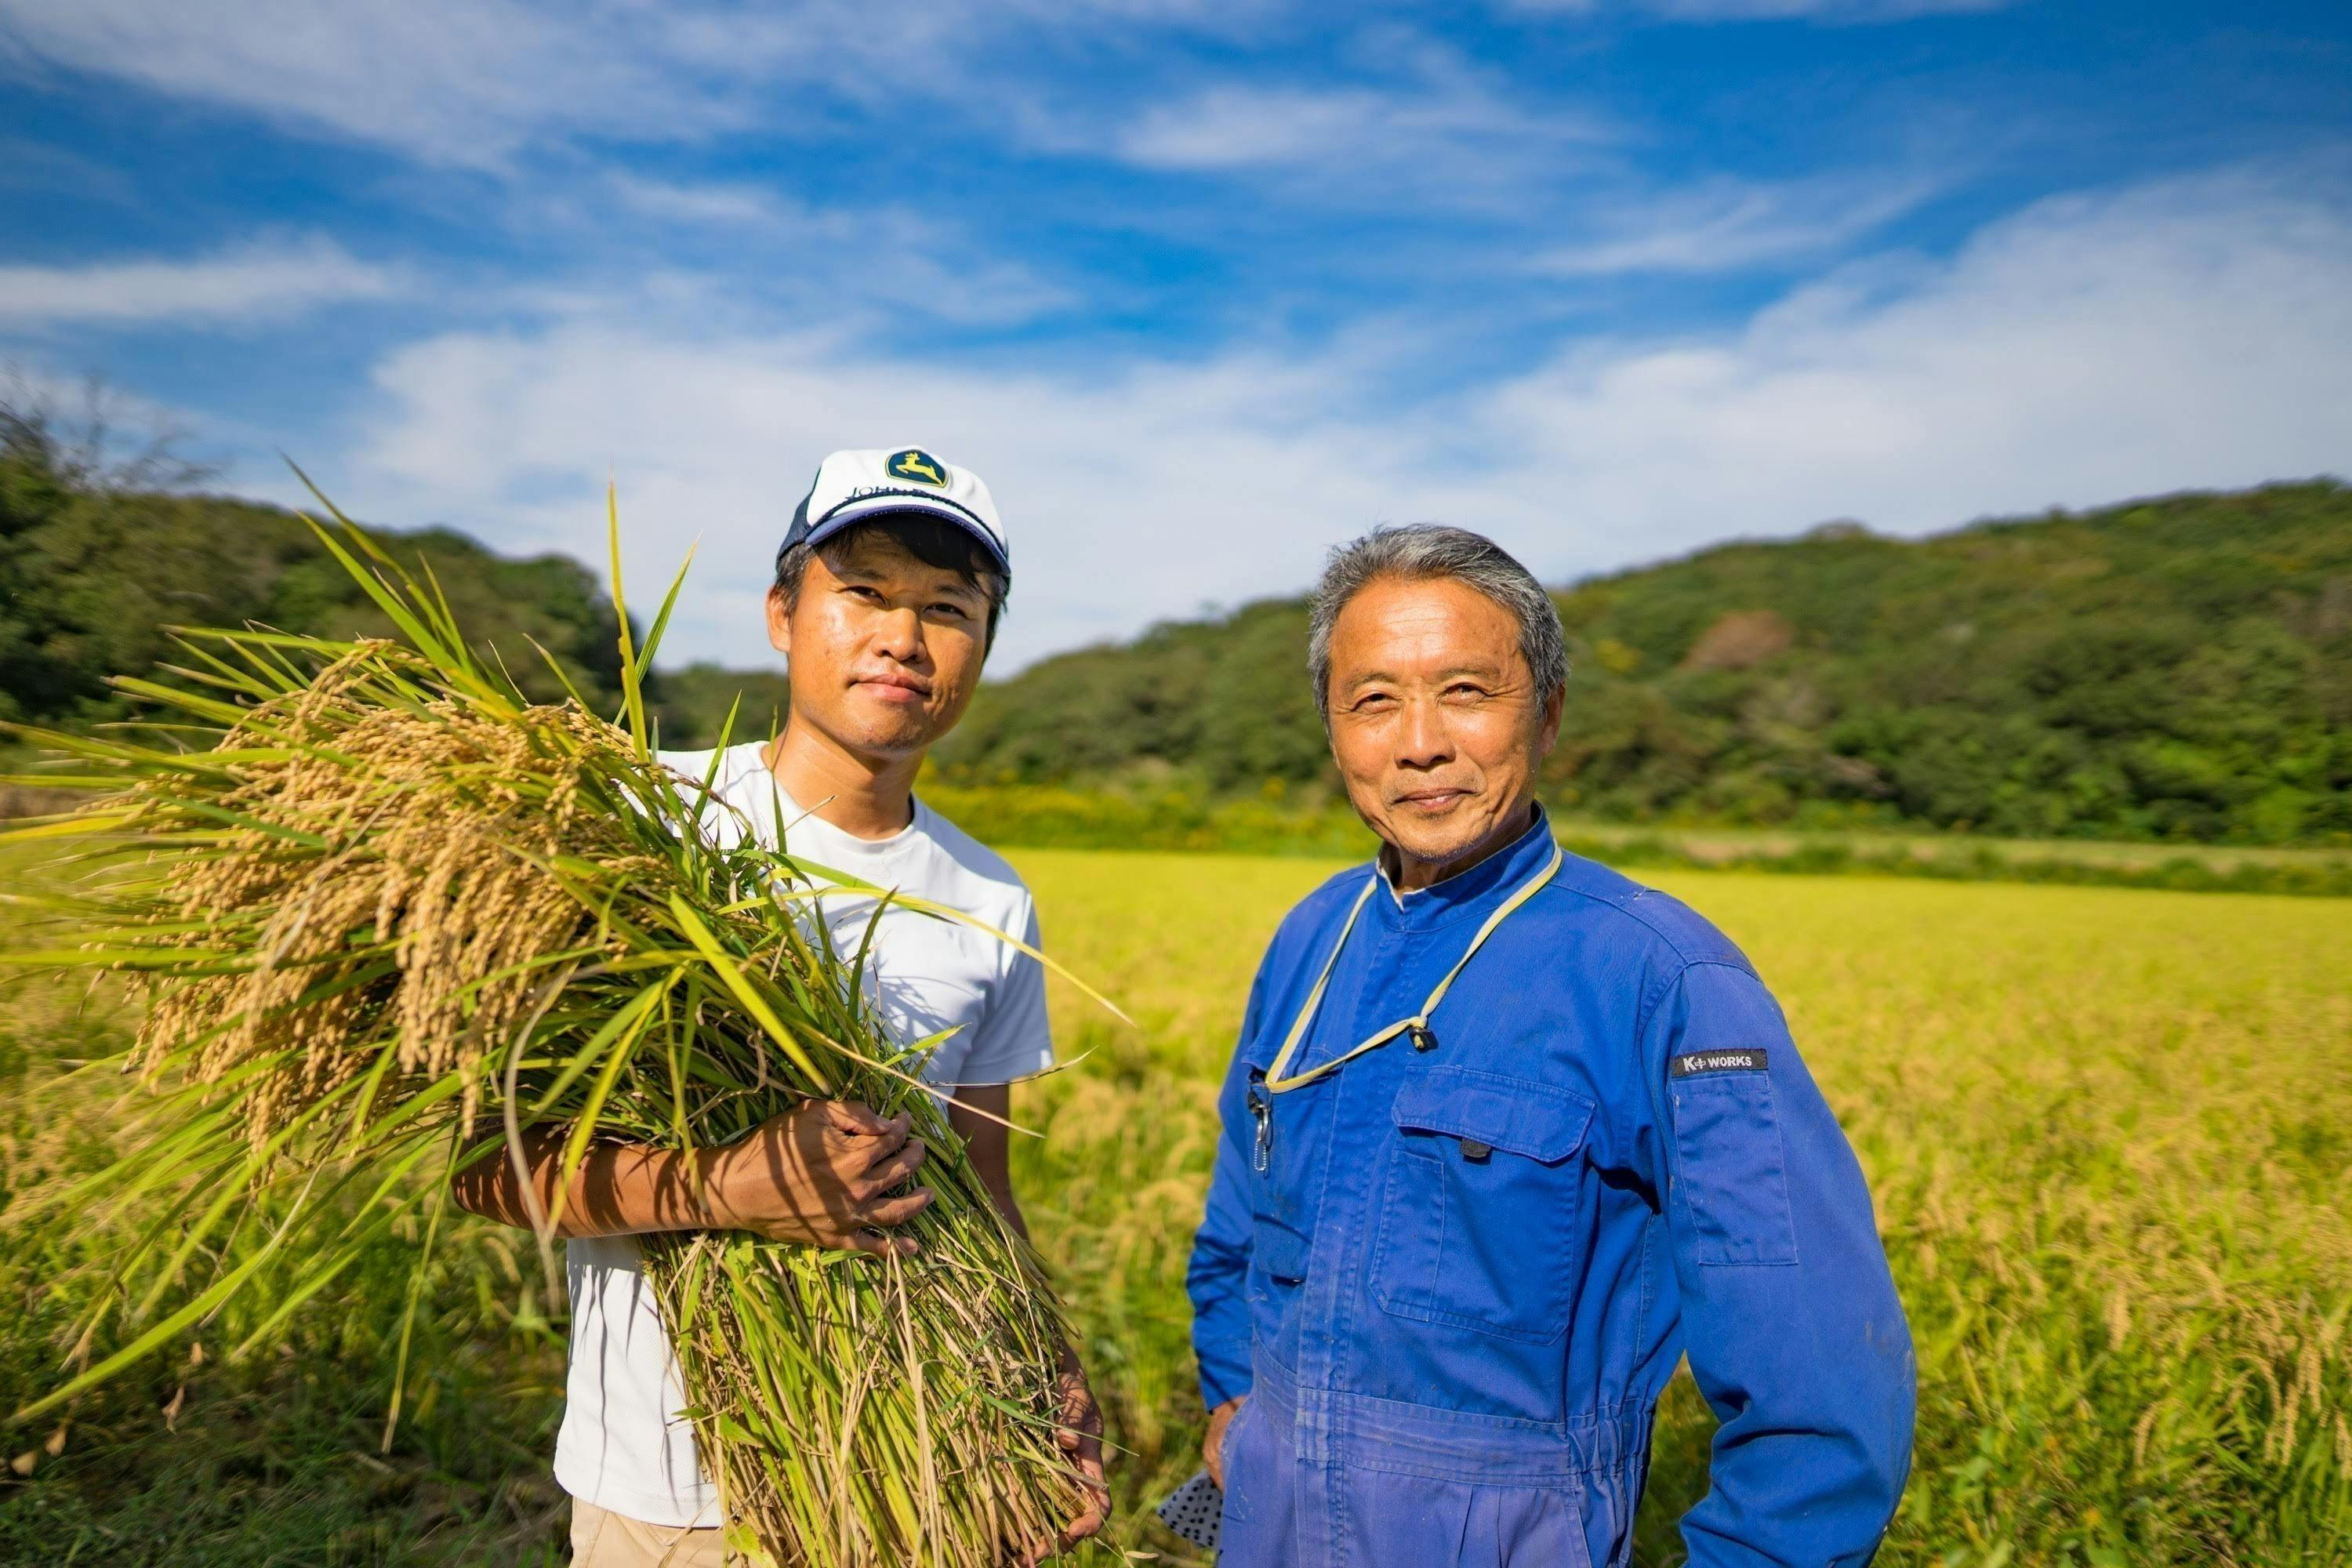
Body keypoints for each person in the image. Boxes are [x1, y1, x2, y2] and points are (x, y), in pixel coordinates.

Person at [1185, 524, 1914, 1567]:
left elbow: (1822, 1386)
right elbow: (1237, 1233)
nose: (1420, 742)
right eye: (1375, 699)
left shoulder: (1665, 980)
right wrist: (1235, 1406)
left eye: (1468, 692)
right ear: (1334, 728)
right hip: (1269, 1534)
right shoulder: (1312, 937)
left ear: (1550, 711)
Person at [453, 447, 1107, 1567]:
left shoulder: (992, 896)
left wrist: (1043, 1371)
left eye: (949, 608)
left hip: (922, 1470)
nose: (904, 636)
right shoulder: (633, 827)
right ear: (781, 613)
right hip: (673, 1501)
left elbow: (980, 1182)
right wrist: (725, 1187)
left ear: (983, 650)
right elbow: (487, 1166)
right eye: (864, 592)